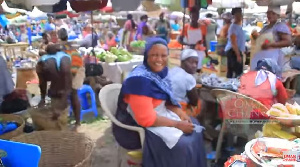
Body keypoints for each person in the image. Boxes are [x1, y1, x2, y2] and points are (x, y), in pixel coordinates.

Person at [113, 37, 207, 167]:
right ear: (146, 56)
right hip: (140, 126)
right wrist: (177, 124)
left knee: (195, 128)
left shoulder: (161, 73)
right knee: (183, 145)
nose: (159, 59)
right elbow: (146, 119)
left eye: (163, 55)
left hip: (160, 114)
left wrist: (181, 113)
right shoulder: (139, 81)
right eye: (154, 55)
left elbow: (167, 100)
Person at [36, 44, 72, 129]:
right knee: (63, 119)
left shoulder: (42, 61)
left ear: (46, 53)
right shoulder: (66, 57)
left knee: (56, 122)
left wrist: (42, 98)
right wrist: (65, 97)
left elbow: (42, 83)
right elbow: (68, 78)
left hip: (56, 92)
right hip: (66, 91)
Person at [250, 6, 292, 74]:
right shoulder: (266, 27)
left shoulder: (280, 26)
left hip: (272, 59)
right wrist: (256, 36)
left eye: (273, 13)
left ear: (277, 15)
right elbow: (263, 40)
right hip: (260, 58)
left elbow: (288, 41)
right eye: (268, 13)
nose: (270, 15)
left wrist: (270, 45)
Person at [58, 28, 85, 130]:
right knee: (67, 94)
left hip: (76, 70)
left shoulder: (65, 47)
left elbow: (73, 65)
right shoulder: (64, 46)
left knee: (73, 93)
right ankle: (67, 119)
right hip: (71, 69)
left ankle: (77, 121)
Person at [169, 49, 200, 117]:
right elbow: (194, 102)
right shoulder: (188, 78)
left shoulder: (173, 70)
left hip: (167, 106)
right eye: (191, 62)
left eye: (196, 63)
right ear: (183, 62)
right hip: (179, 109)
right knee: (202, 103)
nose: (194, 65)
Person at [178, 6, 207, 72]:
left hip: (199, 51)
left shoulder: (203, 27)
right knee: (189, 69)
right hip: (189, 50)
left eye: (196, 16)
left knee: (198, 68)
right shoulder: (186, 27)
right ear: (190, 16)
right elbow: (179, 40)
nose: (194, 18)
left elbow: (204, 41)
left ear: (198, 16)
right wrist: (188, 44)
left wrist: (206, 53)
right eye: (193, 16)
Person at [225, 8, 245, 78]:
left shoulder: (238, 26)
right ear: (234, 16)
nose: (239, 16)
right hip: (233, 51)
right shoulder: (233, 27)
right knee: (237, 73)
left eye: (240, 14)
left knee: (233, 72)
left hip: (235, 51)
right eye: (237, 15)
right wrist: (238, 55)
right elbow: (233, 42)